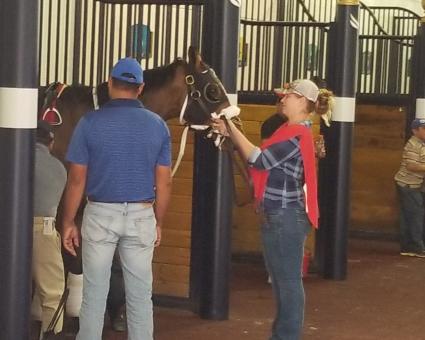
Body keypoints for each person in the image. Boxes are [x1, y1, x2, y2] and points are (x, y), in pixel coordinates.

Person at [212, 79, 333, 340]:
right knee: (283, 281)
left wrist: (230, 127)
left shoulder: (295, 135)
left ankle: (286, 336)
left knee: (287, 281)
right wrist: (230, 132)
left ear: (302, 101)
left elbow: (259, 159)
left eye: (288, 96)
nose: (283, 99)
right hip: (280, 214)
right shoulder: (291, 132)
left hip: (284, 214)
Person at [61, 57, 172, 340]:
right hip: (141, 215)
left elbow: (76, 179)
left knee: (94, 295)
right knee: (140, 297)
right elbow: (164, 181)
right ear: (141, 87)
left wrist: (69, 221)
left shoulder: (89, 123)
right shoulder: (158, 126)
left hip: (99, 215)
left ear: (110, 83)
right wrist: (158, 222)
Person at [32, 120, 67, 338]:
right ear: (51, 142)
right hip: (43, 230)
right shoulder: (59, 168)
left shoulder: (11, 159)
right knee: (52, 293)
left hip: (8, 228)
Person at [394, 118, 425, 258]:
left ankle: (408, 246)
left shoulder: (420, 143)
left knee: (409, 215)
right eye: (423, 128)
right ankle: (414, 247)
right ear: (415, 130)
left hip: (410, 184)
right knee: (415, 215)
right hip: (409, 184)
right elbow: (411, 166)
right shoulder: (413, 144)